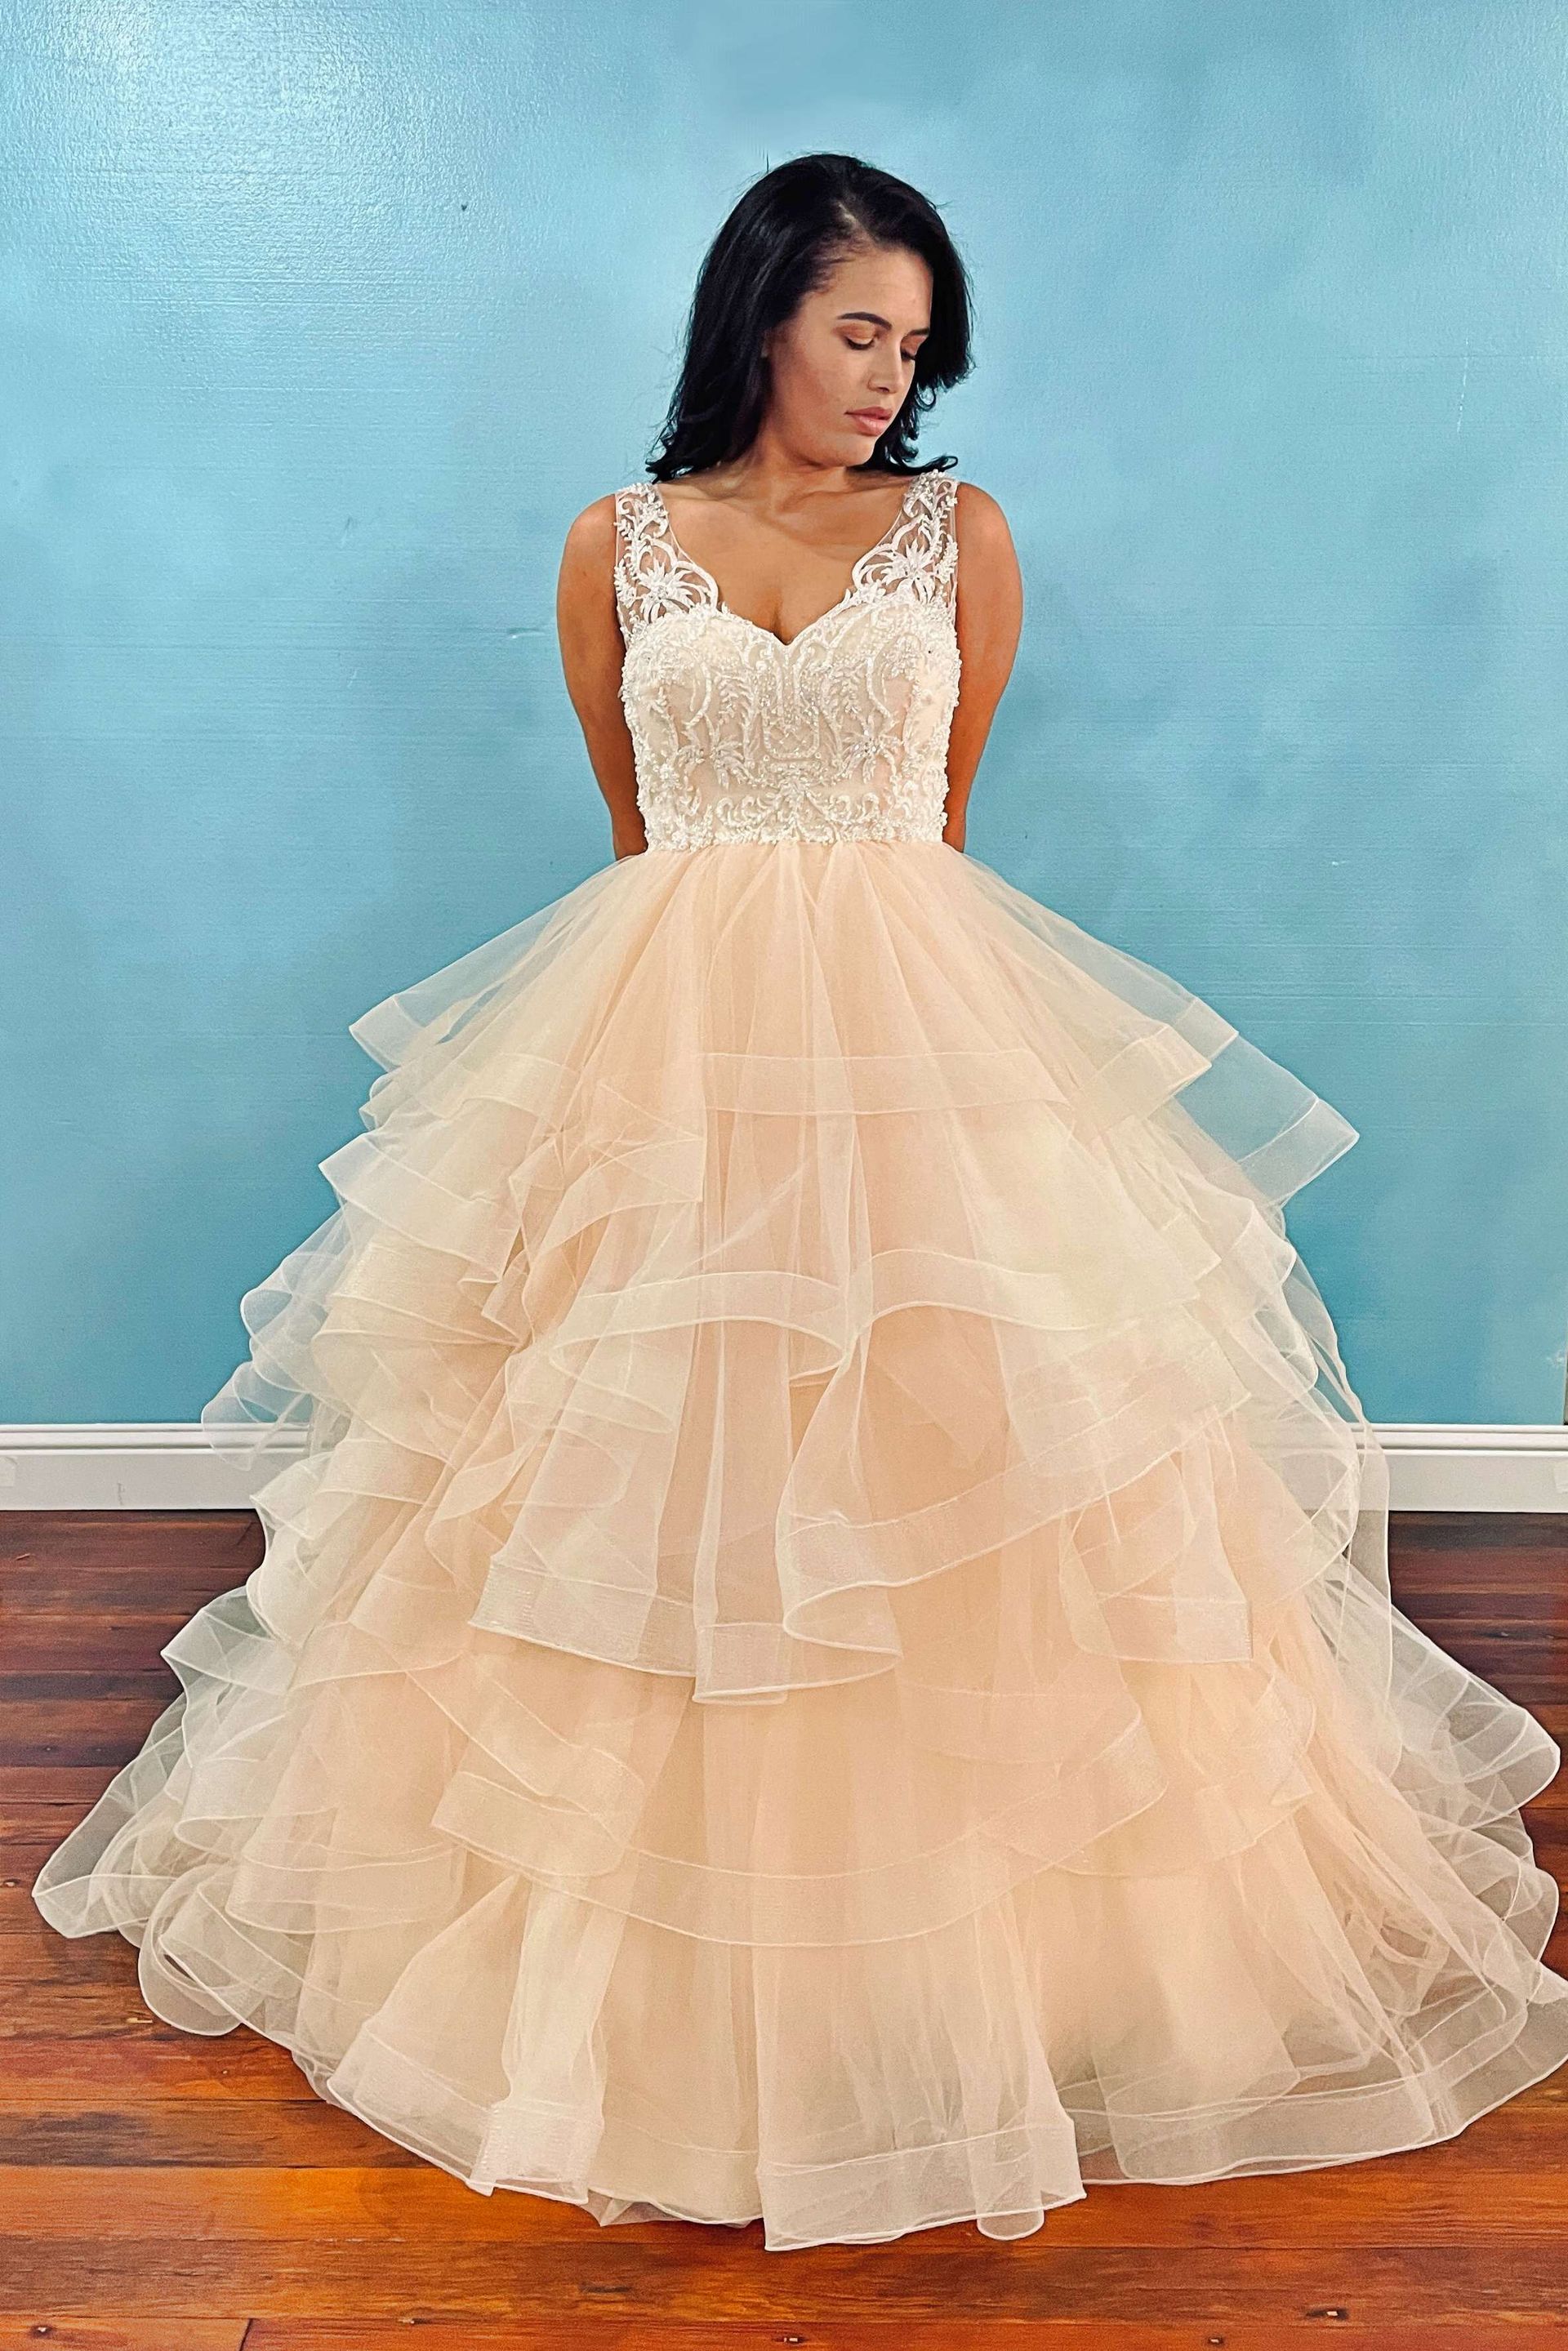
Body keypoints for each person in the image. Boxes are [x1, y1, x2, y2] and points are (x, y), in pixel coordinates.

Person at [33, 151, 1568, 2254]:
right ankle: (635, 1966)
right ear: (758, 314)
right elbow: (633, 821)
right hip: (655, 1034)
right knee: (614, 1480)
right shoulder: (615, 546)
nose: (888, 381)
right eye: (861, 333)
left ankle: (989, 1964)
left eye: (916, 349)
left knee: (955, 1478)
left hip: (922, 1030)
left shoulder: (962, 536)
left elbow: (936, 815)